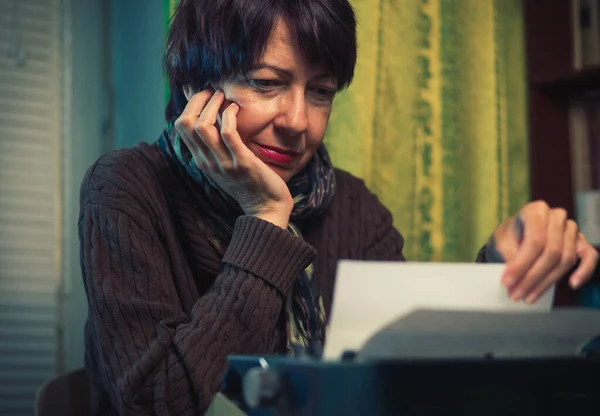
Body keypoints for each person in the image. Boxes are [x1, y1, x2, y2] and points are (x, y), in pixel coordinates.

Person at [78, 0, 599, 414]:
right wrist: (265, 218)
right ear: (196, 87)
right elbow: (153, 404)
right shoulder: (126, 188)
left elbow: (399, 368)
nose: (299, 121)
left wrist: (502, 271)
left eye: (321, 91)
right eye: (266, 83)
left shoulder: (352, 205)